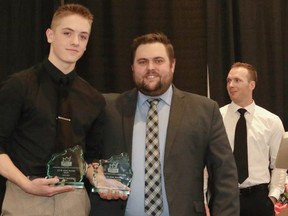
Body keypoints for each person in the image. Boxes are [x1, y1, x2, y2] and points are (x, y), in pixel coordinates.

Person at [89, 32, 240, 216]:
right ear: (132, 67)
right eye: (142, 62)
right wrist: (96, 174)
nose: (150, 68)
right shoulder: (107, 108)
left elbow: (225, 175)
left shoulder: (205, 111)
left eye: (158, 61)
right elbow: (85, 154)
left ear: (172, 65)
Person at [0, 3, 119, 216]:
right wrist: (26, 184)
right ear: (50, 35)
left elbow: (91, 158)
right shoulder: (19, 85)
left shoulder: (94, 99)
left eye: (83, 37)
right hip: (24, 197)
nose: (75, 42)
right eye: (67, 33)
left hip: (74, 201)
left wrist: (101, 180)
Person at [220, 62, 287, 216]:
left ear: (252, 85)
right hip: (225, 197)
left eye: (237, 80)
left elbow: (281, 163)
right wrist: (207, 198)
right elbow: (206, 161)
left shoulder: (272, 120)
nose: (231, 85)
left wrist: (273, 196)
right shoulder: (216, 118)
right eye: (228, 80)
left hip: (259, 199)